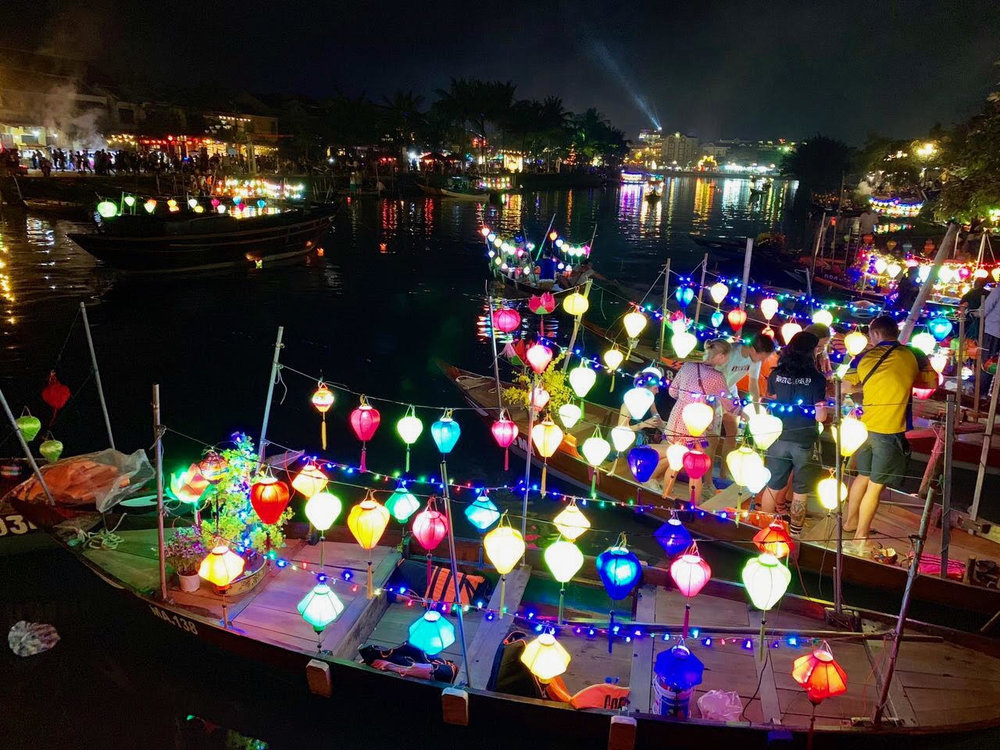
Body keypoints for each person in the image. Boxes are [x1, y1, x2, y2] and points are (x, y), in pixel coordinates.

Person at [842, 316, 937, 550]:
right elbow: (931, 382)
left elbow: (845, 387)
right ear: (896, 332)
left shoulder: (863, 357)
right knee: (876, 485)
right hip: (890, 430)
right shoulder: (912, 354)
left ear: (874, 334)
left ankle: (849, 523)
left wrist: (869, 385)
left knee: (862, 477)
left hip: (863, 427)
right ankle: (861, 536)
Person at [760, 332, 828, 537]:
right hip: (804, 440)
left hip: (778, 436)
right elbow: (820, 417)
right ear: (811, 351)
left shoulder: (776, 373)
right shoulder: (817, 379)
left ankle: (764, 528)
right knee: (801, 488)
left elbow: (770, 401)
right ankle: (796, 533)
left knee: (773, 484)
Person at [657, 339, 741, 501]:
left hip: (678, 417)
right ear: (721, 356)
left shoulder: (687, 366)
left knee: (675, 461)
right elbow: (729, 404)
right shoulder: (717, 377)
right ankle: (694, 504)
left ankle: (666, 496)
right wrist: (742, 413)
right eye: (727, 357)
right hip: (697, 421)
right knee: (696, 465)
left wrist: (685, 397)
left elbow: (672, 392)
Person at [719, 333, 776, 468]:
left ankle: (724, 473)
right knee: (712, 437)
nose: (763, 360)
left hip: (731, 392)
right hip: (714, 393)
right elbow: (715, 378)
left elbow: (753, 383)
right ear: (754, 350)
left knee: (732, 434)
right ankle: (708, 481)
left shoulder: (755, 359)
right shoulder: (731, 352)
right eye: (763, 357)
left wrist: (757, 411)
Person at [961, 277, 990, 341]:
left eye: (976, 282)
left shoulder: (972, 292)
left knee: (969, 333)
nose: (974, 283)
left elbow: (962, 301)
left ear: (978, 284)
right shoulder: (988, 293)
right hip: (984, 317)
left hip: (972, 315)